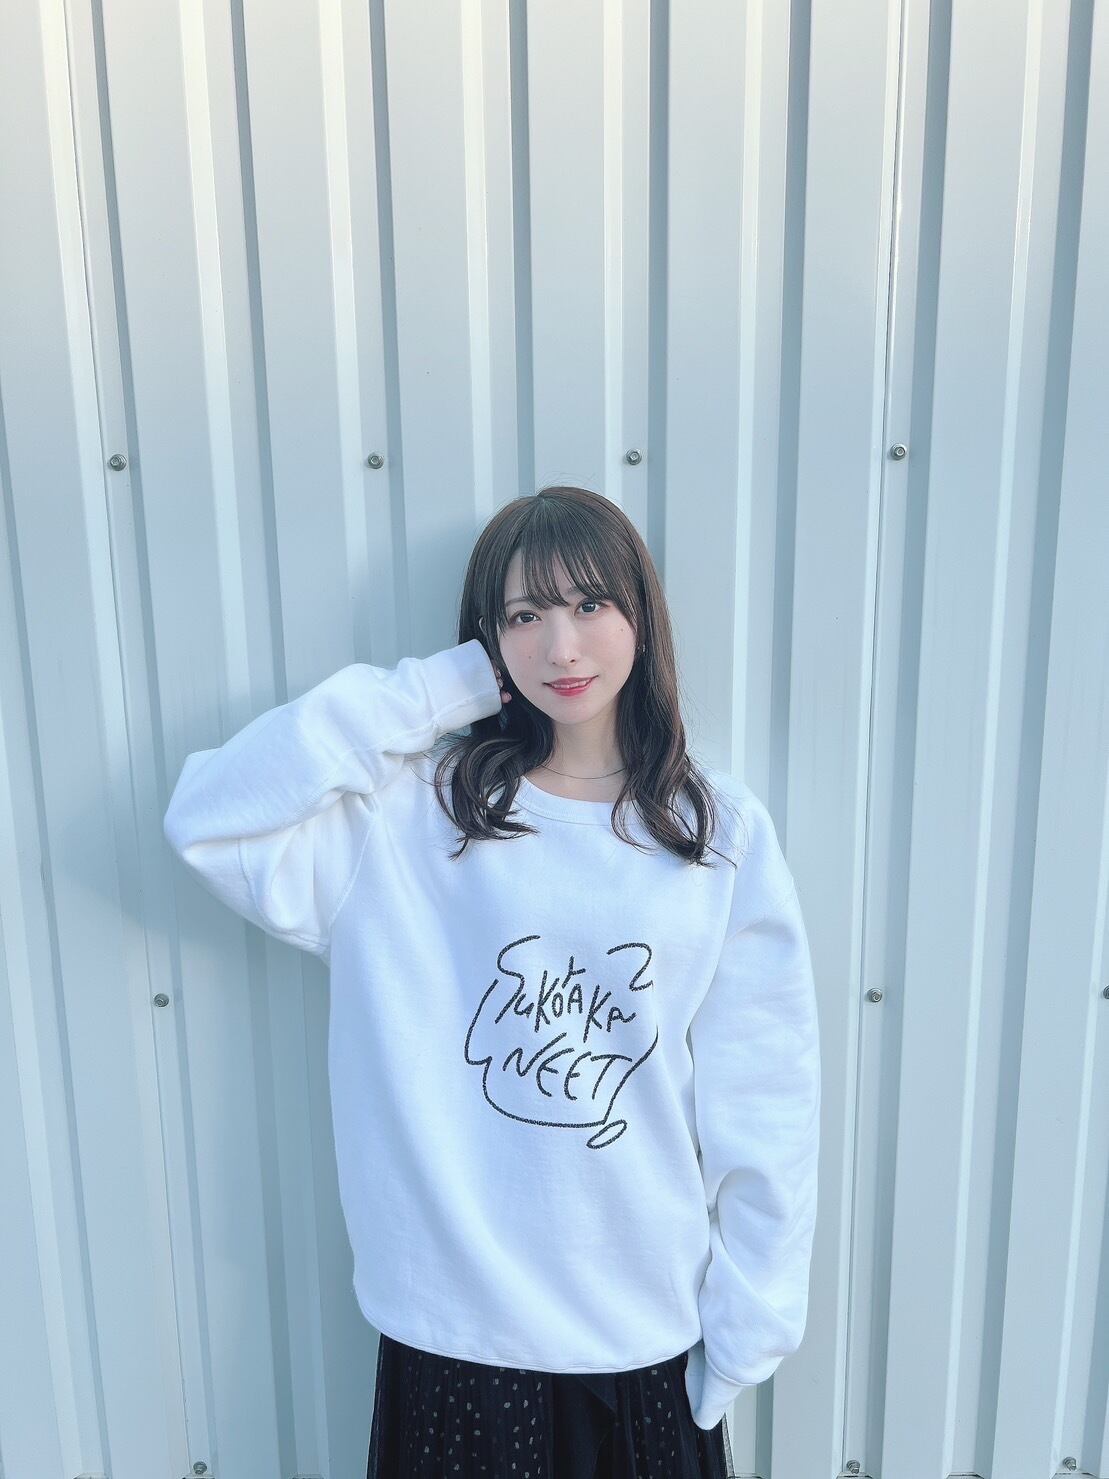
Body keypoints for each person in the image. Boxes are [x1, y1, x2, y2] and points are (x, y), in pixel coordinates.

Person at [162, 485, 821, 1479]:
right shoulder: (406, 819)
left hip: (640, 1338)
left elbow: (767, 1097)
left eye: (591, 604)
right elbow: (208, 818)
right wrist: (445, 688)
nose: (561, 646)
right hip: (453, 1340)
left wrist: (748, 1328)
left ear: (641, 616)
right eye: (523, 615)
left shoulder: (711, 831)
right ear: (486, 634)